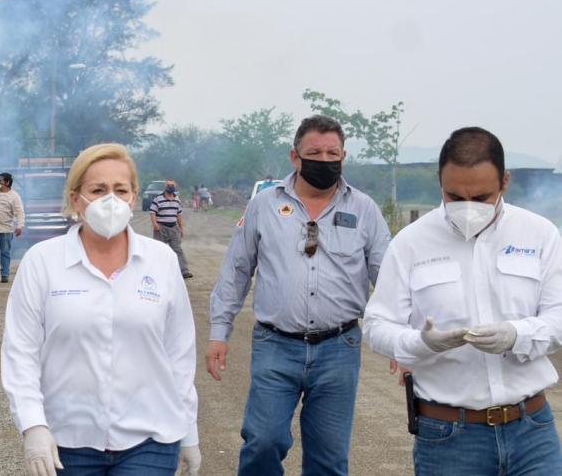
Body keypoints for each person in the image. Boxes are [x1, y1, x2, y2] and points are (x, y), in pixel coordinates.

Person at [364, 127, 562, 475]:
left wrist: (516, 335)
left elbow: (559, 316)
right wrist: (421, 343)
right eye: (454, 196)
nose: (468, 208)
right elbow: (377, 325)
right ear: (440, 182)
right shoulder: (411, 243)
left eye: (481, 197)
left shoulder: (540, 234)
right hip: (449, 439)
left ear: (505, 182)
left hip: (532, 432)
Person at [206, 115, 391, 475]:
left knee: (328, 458)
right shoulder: (264, 205)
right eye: (314, 153)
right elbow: (237, 269)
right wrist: (218, 331)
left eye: (332, 153)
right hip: (276, 345)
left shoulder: (364, 209)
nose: (324, 160)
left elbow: (387, 277)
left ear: (343, 156)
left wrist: (404, 340)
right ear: (295, 157)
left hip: (339, 348)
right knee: (263, 441)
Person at [1, 143, 201, 476]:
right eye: (98, 189)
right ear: (76, 198)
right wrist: (33, 425)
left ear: (134, 197)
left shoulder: (161, 261)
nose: (111, 200)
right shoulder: (43, 262)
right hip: (67, 443)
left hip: (150, 440)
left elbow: (179, 353)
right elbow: (21, 351)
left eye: (120, 190)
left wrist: (189, 431)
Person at [150, 180, 193, 279]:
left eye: (172, 185)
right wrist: (155, 224)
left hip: (173, 228)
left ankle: (184, 271)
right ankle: (155, 271)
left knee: (178, 250)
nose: (171, 187)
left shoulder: (177, 200)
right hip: (161, 228)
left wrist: (181, 228)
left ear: (175, 187)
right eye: (169, 185)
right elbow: (152, 212)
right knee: (158, 250)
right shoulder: (158, 199)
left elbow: (179, 215)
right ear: (165, 187)